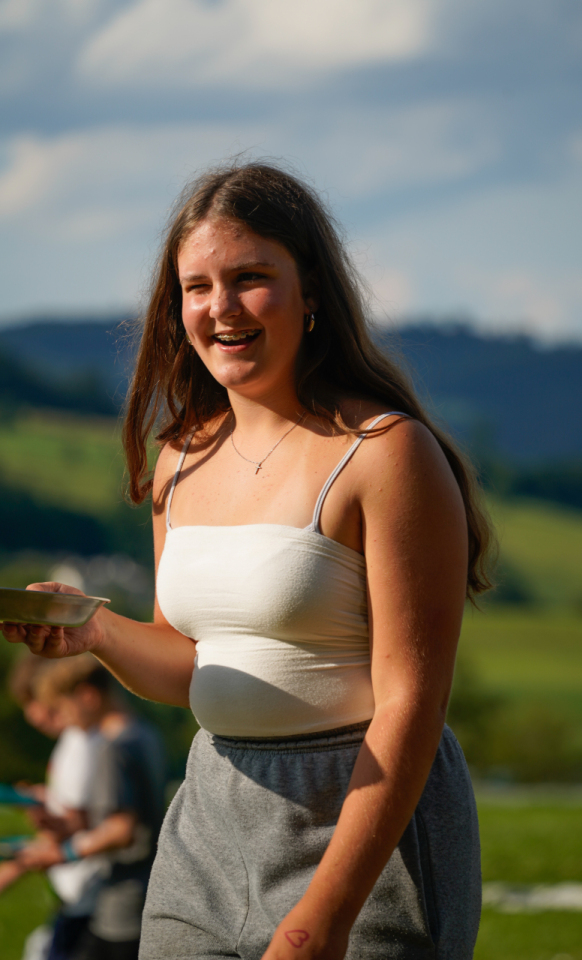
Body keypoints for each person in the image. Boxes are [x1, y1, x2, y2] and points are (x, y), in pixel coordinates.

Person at [1, 161, 494, 960]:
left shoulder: (386, 453)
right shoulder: (179, 459)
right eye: (197, 287)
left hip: (362, 823)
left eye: (250, 278)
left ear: (312, 293)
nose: (221, 307)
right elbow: (189, 663)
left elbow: (412, 701)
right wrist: (97, 634)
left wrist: (323, 915)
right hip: (208, 820)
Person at [15, 655, 166, 960]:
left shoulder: (114, 747)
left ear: (87, 696)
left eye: (62, 708)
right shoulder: (144, 733)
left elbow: (122, 828)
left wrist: (65, 853)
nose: (65, 720)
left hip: (122, 902)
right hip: (146, 891)